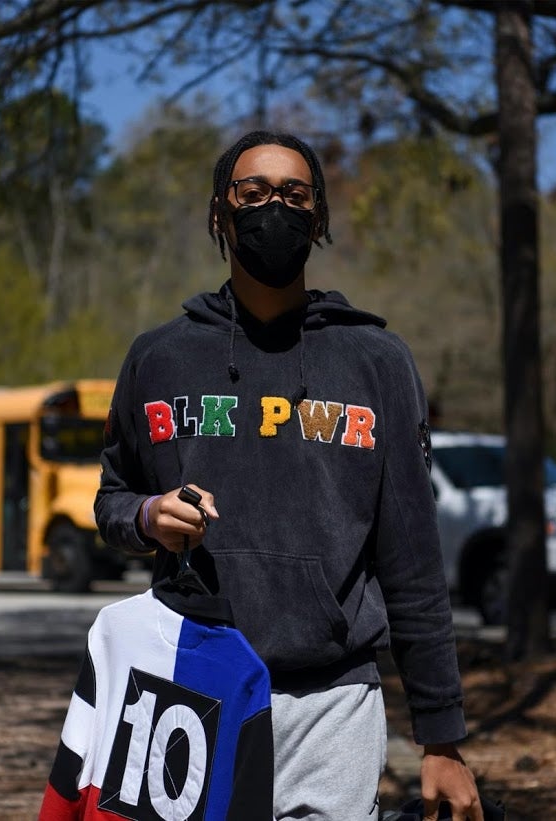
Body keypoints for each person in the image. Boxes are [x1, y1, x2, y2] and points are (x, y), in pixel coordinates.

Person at [95, 129, 483, 821]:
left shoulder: (377, 362)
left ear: (319, 216)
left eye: (294, 194)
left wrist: (442, 736)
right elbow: (112, 499)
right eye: (253, 192)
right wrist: (148, 516)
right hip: (190, 688)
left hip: (331, 700)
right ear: (221, 213)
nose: (274, 206)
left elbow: (413, 561)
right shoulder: (158, 358)